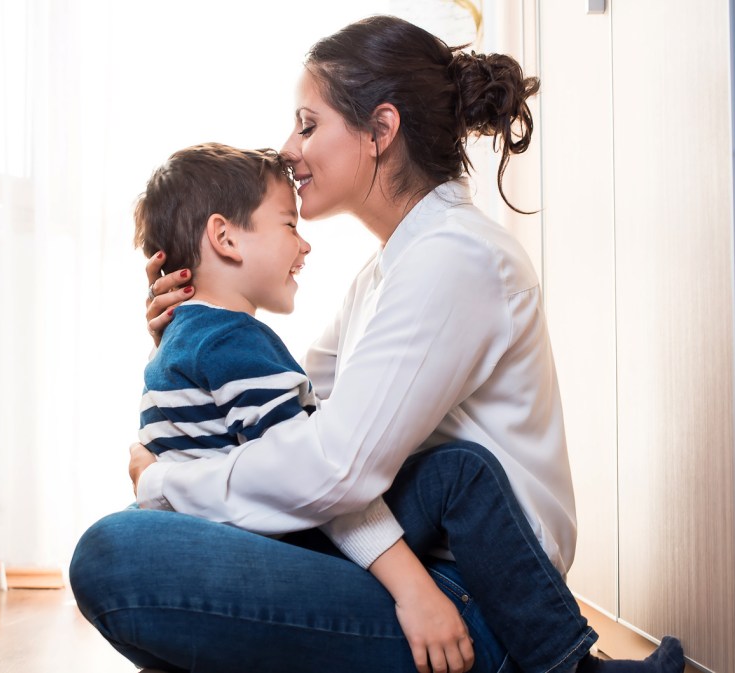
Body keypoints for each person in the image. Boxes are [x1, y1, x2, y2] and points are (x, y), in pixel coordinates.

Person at [71, 15, 684, 673]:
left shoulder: (452, 259)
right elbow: (295, 429)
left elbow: (329, 465)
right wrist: (187, 342)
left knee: (114, 552)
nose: (288, 147)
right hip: (417, 565)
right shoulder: (389, 270)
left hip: (479, 597)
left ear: (380, 132)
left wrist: (169, 480)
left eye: (308, 124)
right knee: (149, 541)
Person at [132, 141, 474, 673]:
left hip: (212, 551)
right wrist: (416, 591)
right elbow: (313, 472)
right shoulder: (234, 343)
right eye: (289, 225)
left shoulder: (176, 350)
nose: (304, 244)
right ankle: (560, 654)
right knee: (463, 472)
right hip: (267, 556)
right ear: (224, 237)